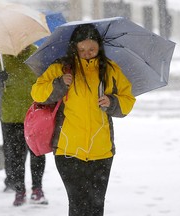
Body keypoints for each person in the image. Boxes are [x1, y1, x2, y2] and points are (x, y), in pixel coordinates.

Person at [31, 24, 136, 216]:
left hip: (102, 152)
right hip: (68, 152)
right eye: (82, 50)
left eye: (92, 49)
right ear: (74, 48)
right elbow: (37, 93)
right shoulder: (62, 68)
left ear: (99, 47)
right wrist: (59, 84)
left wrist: (112, 102)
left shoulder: (111, 70)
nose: (87, 53)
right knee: (78, 205)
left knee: (96, 207)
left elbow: (128, 101)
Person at [0, 45, 48, 206]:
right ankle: (20, 190)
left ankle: (37, 189)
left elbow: (47, 78)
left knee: (37, 153)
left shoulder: (36, 53)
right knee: (16, 156)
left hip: (34, 114)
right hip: (10, 116)